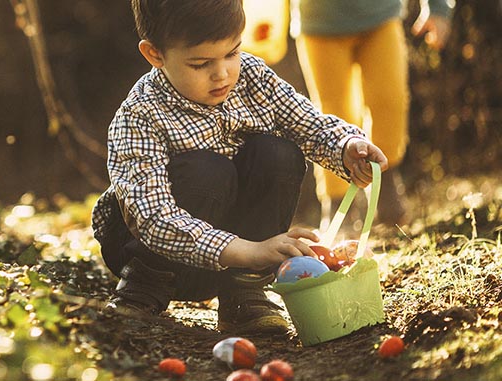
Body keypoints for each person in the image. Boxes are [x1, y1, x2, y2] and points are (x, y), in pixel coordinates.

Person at [91, 0, 389, 334]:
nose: (222, 73)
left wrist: (346, 146)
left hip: (235, 263)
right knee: (208, 170)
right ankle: (141, 290)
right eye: (201, 63)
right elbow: (153, 217)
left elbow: (307, 123)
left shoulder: (252, 77)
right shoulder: (140, 115)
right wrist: (250, 250)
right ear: (155, 55)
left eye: (232, 53)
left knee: (280, 153)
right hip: (155, 254)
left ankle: (244, 294)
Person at [295, 0, 453, 227]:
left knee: (389, 99)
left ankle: (384, 179)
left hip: (380, 15)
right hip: (319, 24)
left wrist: (437, 7)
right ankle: (338, 202)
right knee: (333, 111)